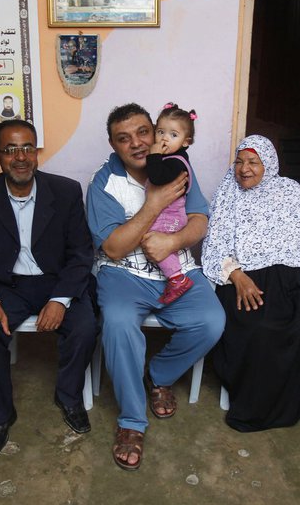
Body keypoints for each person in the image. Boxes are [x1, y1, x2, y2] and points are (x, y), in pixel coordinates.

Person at [86, 103, 225, 471]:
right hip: (124, 273)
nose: (136, 143)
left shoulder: (177, 163)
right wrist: (154, 204)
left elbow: (199, 219)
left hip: (177, 269)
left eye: (143, 132)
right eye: (123, 138)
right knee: (118, 324)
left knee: (212, 321)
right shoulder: (104, 182)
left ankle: (158, 375)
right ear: (113, 145)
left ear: (155, 130)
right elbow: (113, 247)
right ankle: (132, 421)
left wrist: (174, 241)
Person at [0, 120, 97, 456]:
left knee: (85, 327)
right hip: (7, 286)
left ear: (36, 153)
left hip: (56, 280)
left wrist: (60, 299)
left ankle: (68, 396)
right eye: (10, 150)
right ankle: (1, 414)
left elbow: (81, 253)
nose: (20, 157)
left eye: (27, 148)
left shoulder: (65, 192)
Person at [202, 135, 300, 440]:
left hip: (294, 278)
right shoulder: (228, 192)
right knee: (262, 328)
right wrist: (237, 276)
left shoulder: (290, 190)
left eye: (253, 162)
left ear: (268, 163)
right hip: (246, 279)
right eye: (239, 161)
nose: (244, 169)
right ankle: (260, 408)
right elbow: (214, 245)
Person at [145, 103, 199, 304]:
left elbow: (157, 177)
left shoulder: (176, 162)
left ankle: (177, 278)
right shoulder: (173, 158)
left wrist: (153, 154)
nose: (164, 138)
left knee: (154, 240)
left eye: (173, 135)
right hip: (167, 214)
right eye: (160, 132)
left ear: (186, 141)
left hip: (170, 216)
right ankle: (175, 277)